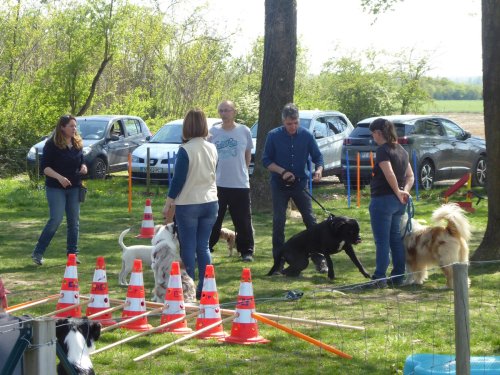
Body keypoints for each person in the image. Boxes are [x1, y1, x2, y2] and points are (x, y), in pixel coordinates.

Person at [262, 103, 327, 274]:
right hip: (279, 184)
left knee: (310, 220)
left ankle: (319, 258)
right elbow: (266, 160)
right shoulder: (273, 136)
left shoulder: (306, 136)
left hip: (300, 184)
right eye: (289, 124)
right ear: (283, 121)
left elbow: (318, 157)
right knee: (278, 222)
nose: (293, 127)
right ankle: (279, 262)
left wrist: (318, 171)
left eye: (296, 123)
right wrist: (282, 171)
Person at [162, 109, 218, 299]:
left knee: (188, 247)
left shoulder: (185, 149)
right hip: (210, 201)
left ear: (187, 126)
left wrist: (169, 202)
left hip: (189, 203)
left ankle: (188, 288)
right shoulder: (212, 147)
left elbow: (178, 180)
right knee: (203, 247)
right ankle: (206, 286)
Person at [31, 115, 88, 265]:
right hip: (56, 187)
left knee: (74, 222)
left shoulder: (77, 144)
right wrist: (60, 178)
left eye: (75, 126)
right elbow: (45, 168)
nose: (74, 129)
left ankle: (72, 255)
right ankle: (38, 252)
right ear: (62, 127)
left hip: (75, 187)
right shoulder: (51, 144)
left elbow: (82, 163)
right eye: (71, 126)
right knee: (56, 219)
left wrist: (84, 168)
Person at [367, 118, 414, 288]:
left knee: (382, 241)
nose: (373, 138)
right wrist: (404, 192)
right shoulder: (402, 150)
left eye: (373, 134)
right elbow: (411, 176)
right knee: (395, 239)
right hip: (398, 202)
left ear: (379, 133)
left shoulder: (383, 150)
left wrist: (398, 191)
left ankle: (380, 277)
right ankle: (398, 276)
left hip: (382, 200)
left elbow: (389, 174)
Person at [208, 100, 255, 262]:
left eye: (227, 110)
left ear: (234, 112)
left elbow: (247, 153)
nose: (224, 114)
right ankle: (206, 247)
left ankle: (246, 251)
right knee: (213, 218)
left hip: (240, 184)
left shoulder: (244, 131)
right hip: (218, 183)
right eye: (221, 111)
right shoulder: (213, 132)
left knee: (242, 220)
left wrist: (244, 171)